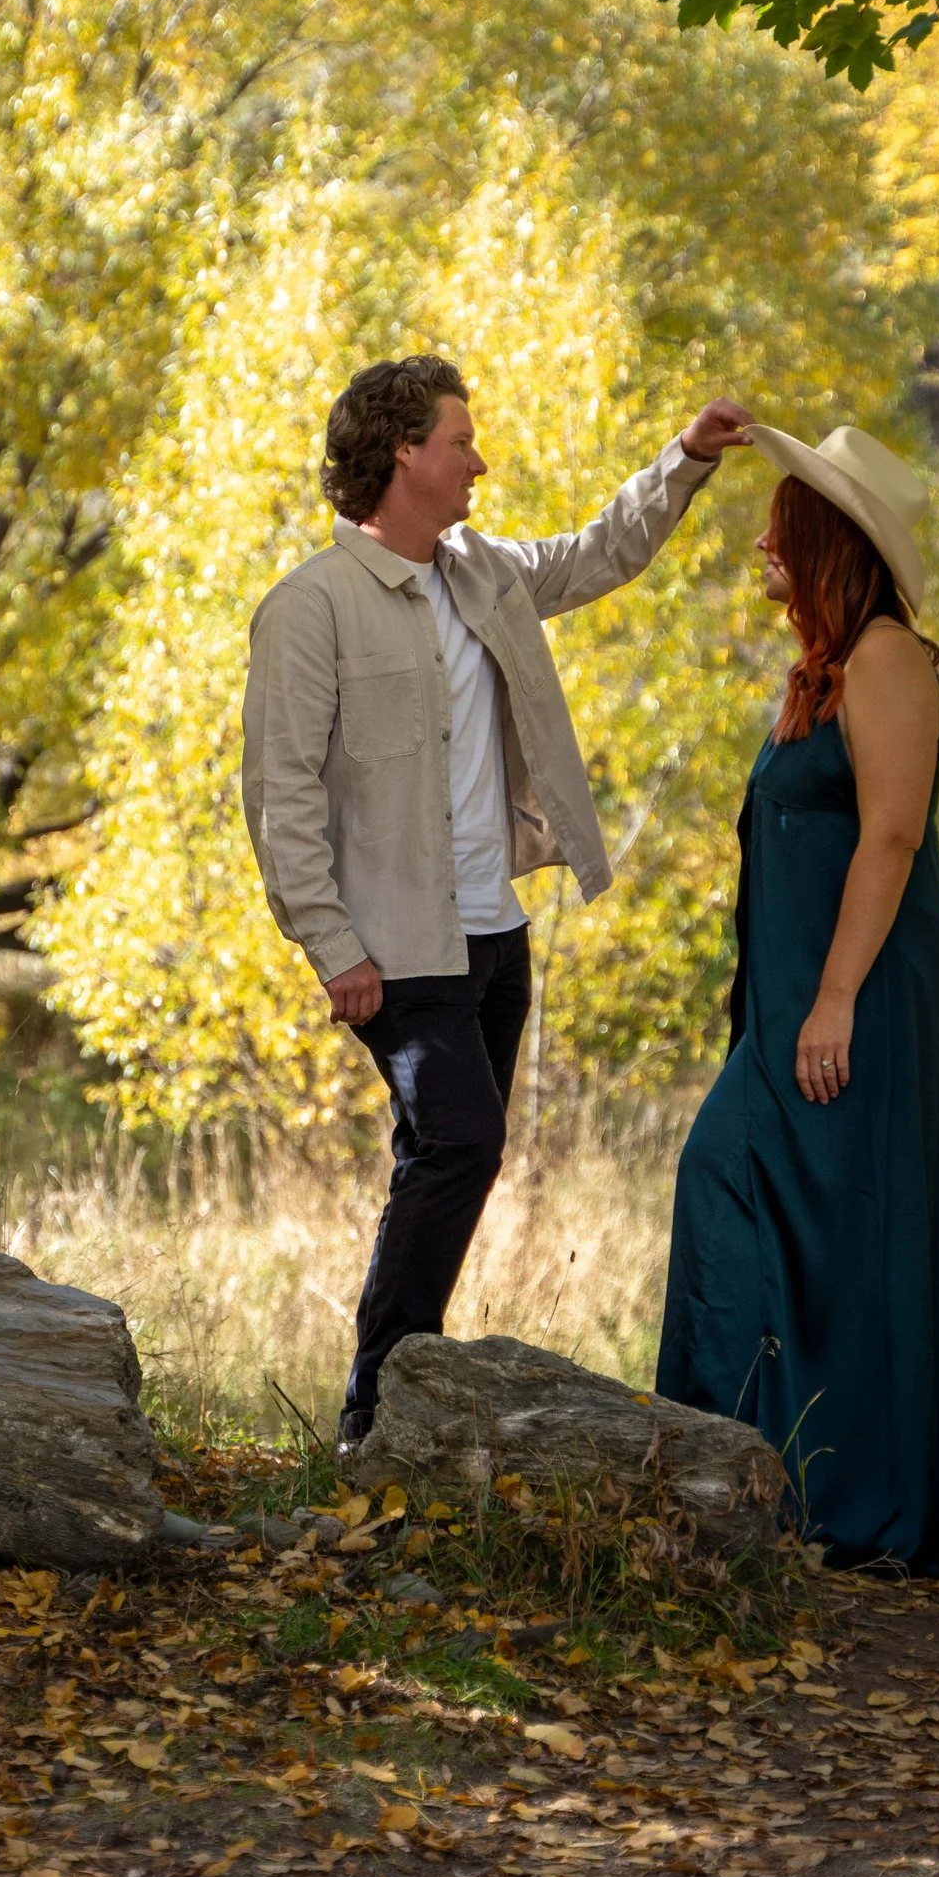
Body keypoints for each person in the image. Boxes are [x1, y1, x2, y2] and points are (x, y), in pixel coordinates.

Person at [243, 356, 753, 1453]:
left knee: (444, 1154)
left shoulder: (482, 573)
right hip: (397, 944)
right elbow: (280, 795)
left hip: (494, 935)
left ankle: (392, 1406)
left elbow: (596, 553)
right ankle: (375, 1407)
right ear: (401, 455)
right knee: (460, 1145)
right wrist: (332, 946)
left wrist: (685, 462)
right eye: (460, 441)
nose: (479, 460)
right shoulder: (309, 609)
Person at [655, 421, 939, 1575]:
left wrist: (836, 996)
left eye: (780, 524)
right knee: (755, 1207)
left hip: (862, 1005)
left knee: (843, 1225)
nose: (760, 542)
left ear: (825, 541)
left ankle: (859, 1500)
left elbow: (893, 834)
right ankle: (759, 1487)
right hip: (792, 1010)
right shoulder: (819, 675)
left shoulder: (890, 659)